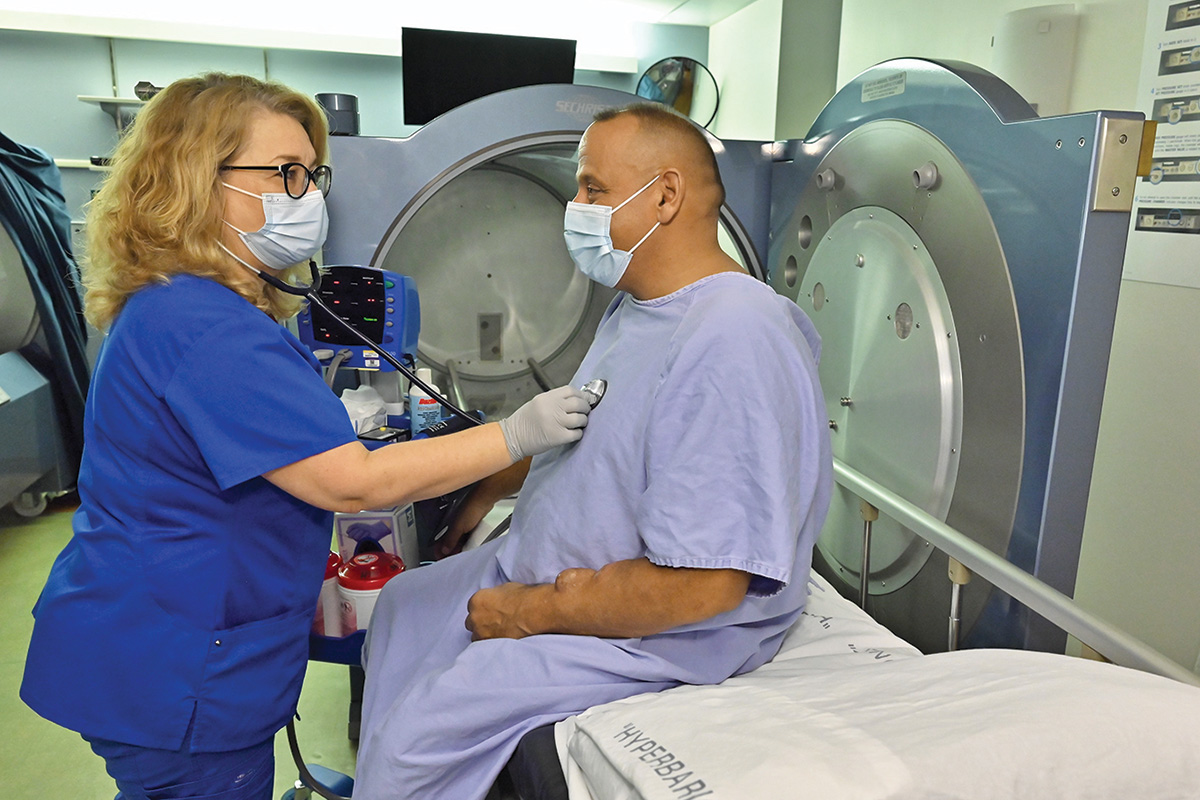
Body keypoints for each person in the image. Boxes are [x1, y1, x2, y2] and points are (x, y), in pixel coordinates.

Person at [19, 73, 591, 800]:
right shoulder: (204, 326)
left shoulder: (193, 309)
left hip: (155, 638)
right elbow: (350, 481)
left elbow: (276, 461)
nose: (308, 195)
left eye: (312, 173)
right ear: (198, 180)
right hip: (176, 669)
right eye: (285, 174)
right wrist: (517, 433)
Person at [353, 102, 834, 799]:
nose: (572, 207)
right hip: (554, 564)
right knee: (402, 609)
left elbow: (708, 584)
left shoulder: (734, 335)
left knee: (414, 741)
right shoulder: (638, 306)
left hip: (660, 626)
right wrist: (492, 486)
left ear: (665, 196)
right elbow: (587, 421)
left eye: (591, 189)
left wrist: (529, 611)